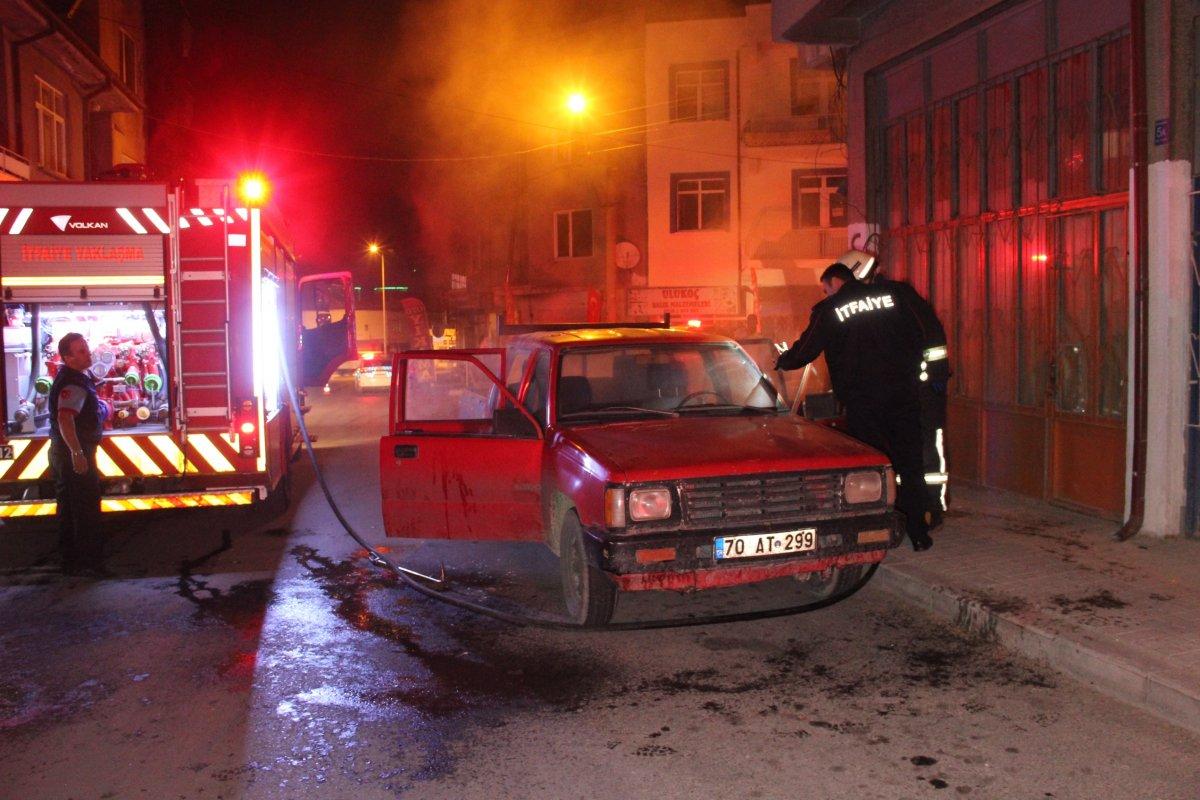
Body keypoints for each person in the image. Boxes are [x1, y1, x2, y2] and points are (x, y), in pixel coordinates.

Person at [775, 263, 934, 551]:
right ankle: (919, 531)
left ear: (835, 282)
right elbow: (918, 336)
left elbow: (807, 348)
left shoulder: (829, 309)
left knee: (872, 467)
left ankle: (875, 531)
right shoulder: (892, 297)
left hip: (864, 401)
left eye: (826, 288)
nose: (825, 293)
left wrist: (782, 361)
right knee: (911, 463)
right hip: (903, 395)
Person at [869, 274, 951, 525]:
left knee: (928, 452)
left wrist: (935, 379)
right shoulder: (893, 311)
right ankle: (908, 506)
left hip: (924, 394)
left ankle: (933, 507)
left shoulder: (906, 304)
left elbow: (934, 345)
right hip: (904, 394)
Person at [49, 333, 108, 576]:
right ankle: (85, 564)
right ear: (68, 357)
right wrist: (77, 453)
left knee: (72, 506)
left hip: (67, 451)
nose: (88, 353)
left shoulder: (76, 378)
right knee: (82, 508)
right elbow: (65, 418)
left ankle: (73, 560)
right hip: (72, 453)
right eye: (81, 351)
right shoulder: (73, 383)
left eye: (87, 348)